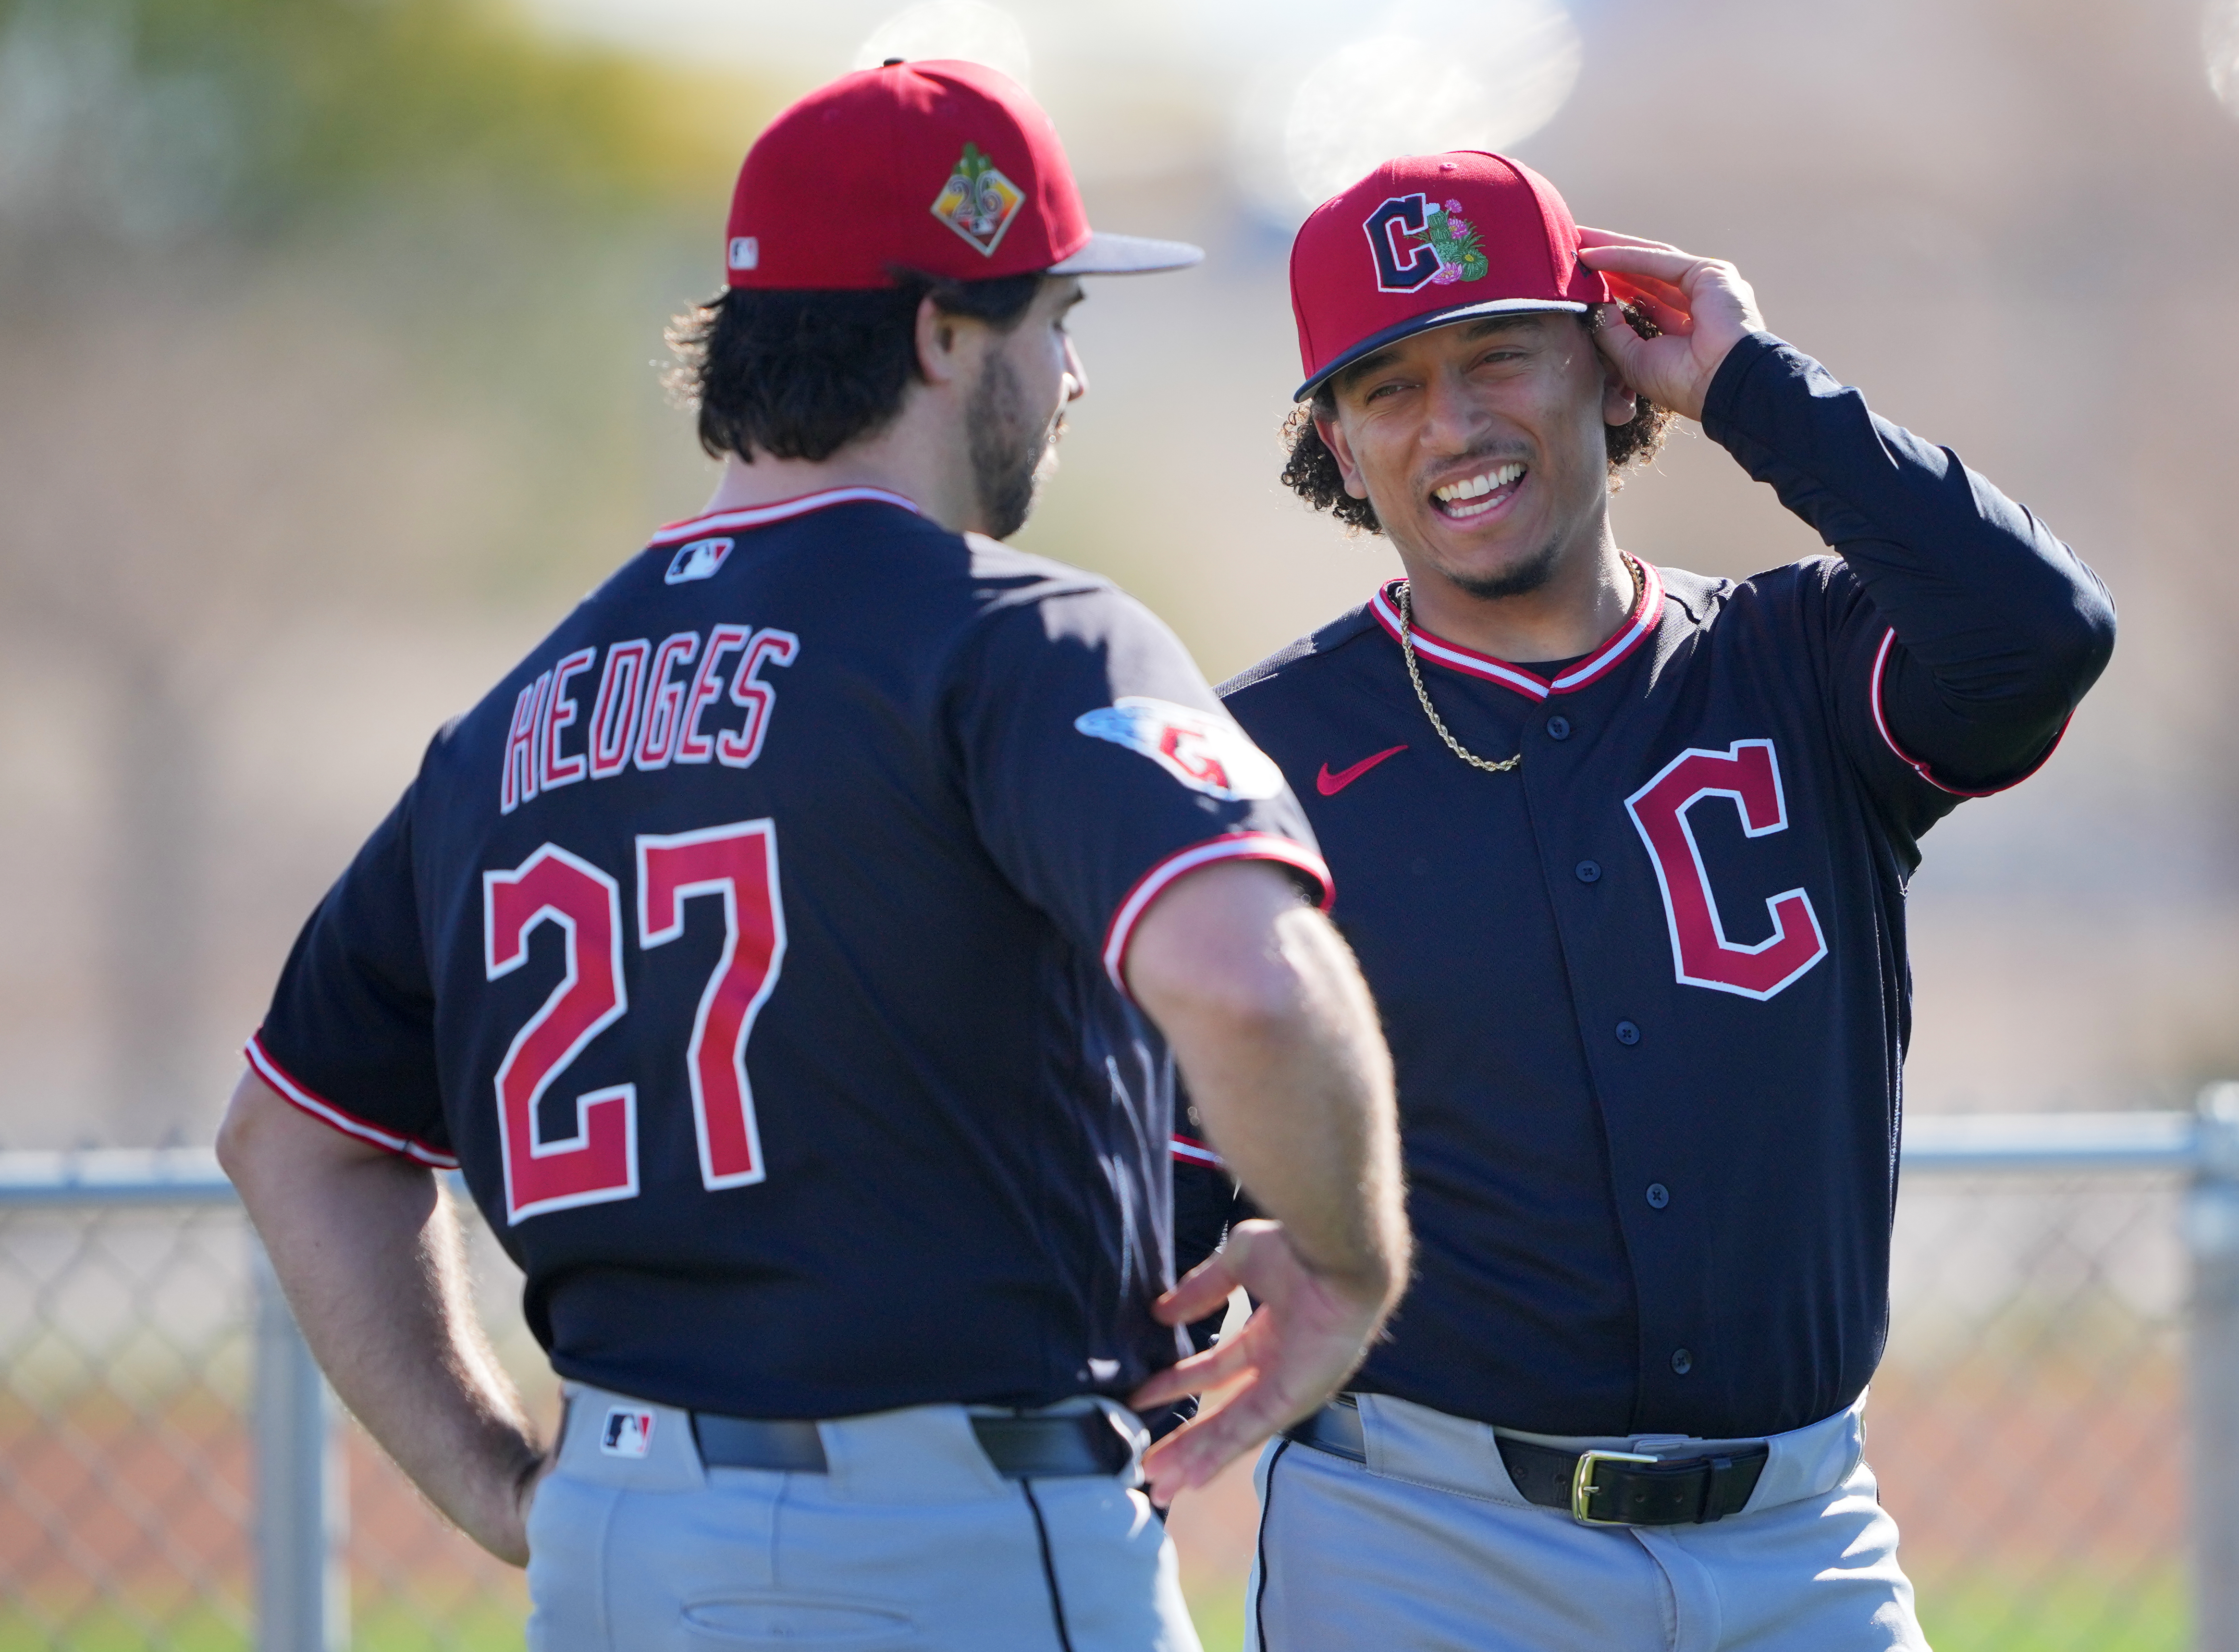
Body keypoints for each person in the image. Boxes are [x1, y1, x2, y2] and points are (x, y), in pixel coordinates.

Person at [214, 62, 1409, 1652]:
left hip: (624, 1542)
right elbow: (1251, 988)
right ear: (937, 335)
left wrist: (501, 1484)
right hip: (957, 1538)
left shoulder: (501, 730)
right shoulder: (1025, 638)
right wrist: (1346, 1264)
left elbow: (288, 1138)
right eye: (1051, 319)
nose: (1070, 377)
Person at [1186, 151, 2116, 1649]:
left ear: (1613, 373)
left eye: (1502, 355)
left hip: (1801, 1543)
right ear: (1341, 449)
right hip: (1426, 1546)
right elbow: (1153, 1192)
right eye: (1391, 387)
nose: (1457, 422)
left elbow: (2039, 633)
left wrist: (1747, 380)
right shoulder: (1255, 754)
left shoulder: (1799, 661)